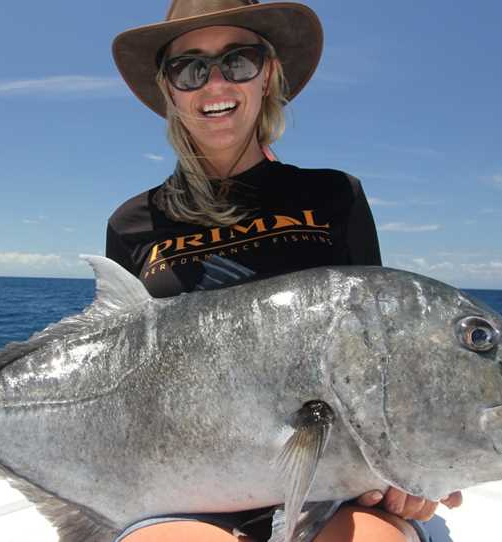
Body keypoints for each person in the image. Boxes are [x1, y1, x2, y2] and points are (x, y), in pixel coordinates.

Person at [104, 1, 463, 541]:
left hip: (330, 480)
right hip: (184, 481)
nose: (215, 82)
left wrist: (419, 465)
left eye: (238, 60)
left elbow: (380, 351)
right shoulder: (132, 223)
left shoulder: (333, 195)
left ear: (267, 73)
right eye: (190, 68)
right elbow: (115, 371)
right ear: (169, 89)